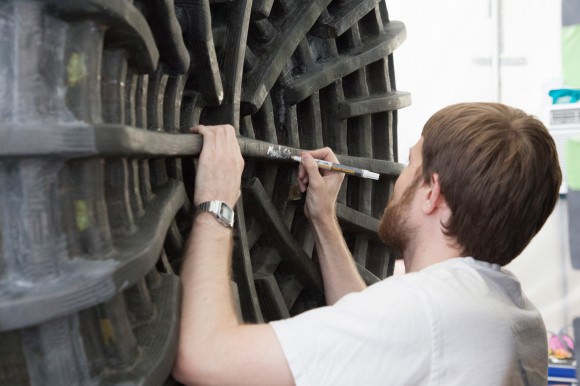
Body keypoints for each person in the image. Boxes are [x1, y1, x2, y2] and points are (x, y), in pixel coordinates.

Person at [172, 102, 561, 385]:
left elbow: (204, 356)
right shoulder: (514, 315)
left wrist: (216, 201)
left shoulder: (426, 315)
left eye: (411, 165)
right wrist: (323, 219)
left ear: (433, 195)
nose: (400, 179)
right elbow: (374, 336)